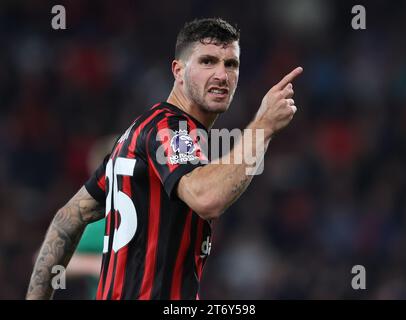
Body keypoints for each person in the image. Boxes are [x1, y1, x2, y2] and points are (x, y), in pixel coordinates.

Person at [26, 17, 303, 300]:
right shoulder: (168, 128)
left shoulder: (137, 134)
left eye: (231, 64)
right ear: (178, 71)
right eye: (207, 61)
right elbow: (207, 199)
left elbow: (68, 217)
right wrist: (263, 127)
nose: (222, 75)